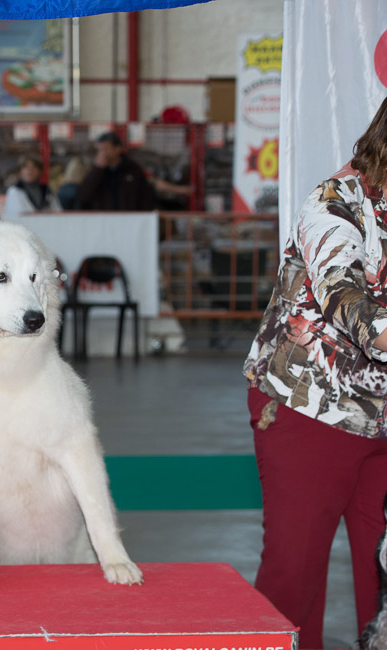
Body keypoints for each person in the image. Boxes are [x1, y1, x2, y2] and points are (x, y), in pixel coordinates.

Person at [242, 95, 387, 649]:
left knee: (383, 575)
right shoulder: (335, 202)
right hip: (311, 405)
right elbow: (342, 296)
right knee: (294, 571)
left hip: (379, 413)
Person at [77, 131, 155, 211]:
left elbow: (145, 196)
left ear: (117, 149)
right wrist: (97, 170)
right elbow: (84, 196)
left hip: (129, 219)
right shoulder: (95, 171)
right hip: (103, 220)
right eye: (100, 150)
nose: (102, 153)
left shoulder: (132, 169)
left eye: (106, 149)